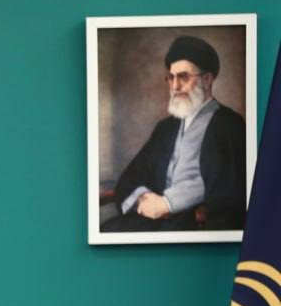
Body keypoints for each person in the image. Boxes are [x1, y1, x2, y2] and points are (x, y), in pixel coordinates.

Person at [102, 35, 246, 233]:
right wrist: (143, 199)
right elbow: (132, 175)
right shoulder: (166, 128)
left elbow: (227, 189)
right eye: (171, 77)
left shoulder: (229, 125)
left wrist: (169, 203)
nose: (175, 86)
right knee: (110, 230)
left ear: (207, 79)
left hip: (194, 224)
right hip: (152, 218)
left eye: (184, 77)